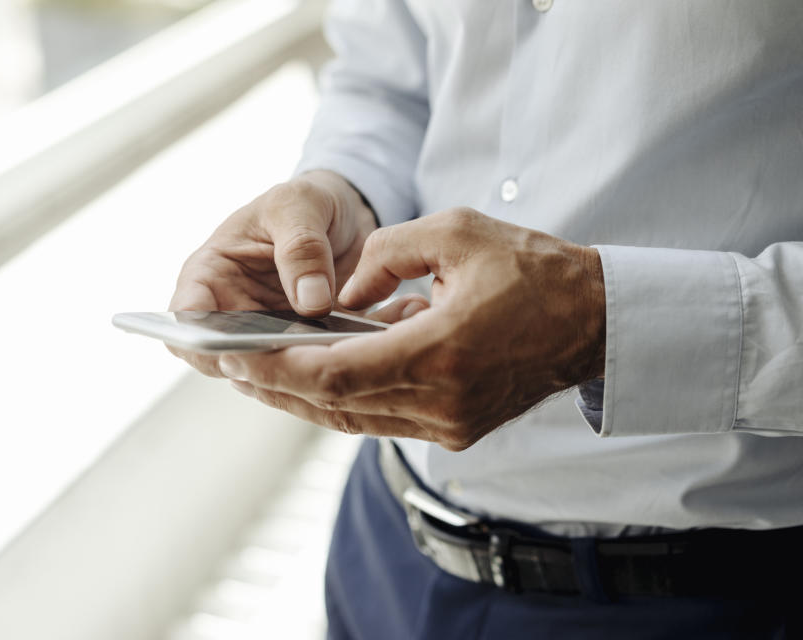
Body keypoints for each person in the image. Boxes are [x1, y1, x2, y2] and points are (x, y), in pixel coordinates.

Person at [170, 1, 803, 637]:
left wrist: (600, 321)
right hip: (385, 543)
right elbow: (388, 75)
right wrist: (345, 191)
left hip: (720, 595)